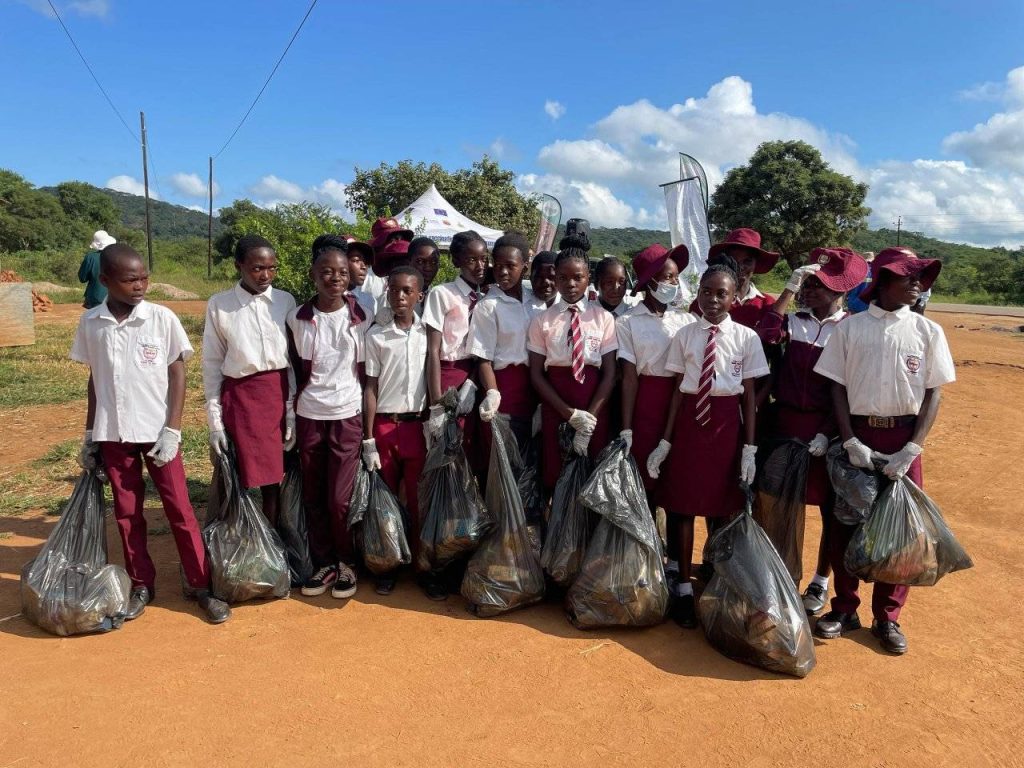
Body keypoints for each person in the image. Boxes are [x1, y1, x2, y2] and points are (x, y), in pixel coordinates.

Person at [72, 244, 230, 624]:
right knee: (127, 513)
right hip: (114, 434)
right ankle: (142, 584)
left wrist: (173, 428)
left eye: (144, 277)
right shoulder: (91, 323)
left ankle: (200, 585)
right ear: (105, 280)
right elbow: (95, 379)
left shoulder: (161, 318)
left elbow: (178, 373)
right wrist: (91, 432)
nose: (140, 285)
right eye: (130, 280)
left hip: (158, 432)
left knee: (180, 508)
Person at [812, 247, 954, 654]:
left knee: (899, 530)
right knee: (845, 524)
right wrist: (849, 439)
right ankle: (844, 608)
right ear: (884, 280)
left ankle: (887, 616)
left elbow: (934, 393)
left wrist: (913, 447)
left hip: (904, 436)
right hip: (858, 434)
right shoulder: (850, 329)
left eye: (920, 278)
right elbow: (836, 388)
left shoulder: (927, 332)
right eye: (909, 277)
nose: (918, 284)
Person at [648, 257, 769, 628]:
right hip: (689, 424)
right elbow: (676, 392)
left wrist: (749, 449)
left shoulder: (746, 338)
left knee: (723, 508)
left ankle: (718, 578)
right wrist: (665, 441)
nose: (713, 300)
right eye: (706, 292)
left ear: (734, 298)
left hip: (726, 426)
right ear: (697, 294)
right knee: (683, 506)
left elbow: (750, 397)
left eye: (721, 294)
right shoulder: (685, 335)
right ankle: (683, 587)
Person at [757, 247, 869, 614]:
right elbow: (765, 335)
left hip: (828, 430)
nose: (808, 290)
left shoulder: (850, 328)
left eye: (816, 286)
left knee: (829, 511)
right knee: (778, 504)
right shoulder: (793, 321)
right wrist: (788, 290)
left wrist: (827, 431)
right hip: (785, 425)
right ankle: (778, 577)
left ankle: (821, 580)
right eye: (806, 284)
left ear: (839, 292)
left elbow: (849, 389)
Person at [286, 238, 367, 600]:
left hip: (347, 415)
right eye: (327, 272)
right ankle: (325, 564)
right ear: (313, 276)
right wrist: (290, 415)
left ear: (350, 276)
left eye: (342, 272)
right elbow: (293, 369)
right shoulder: (298, 318)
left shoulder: (363, 316)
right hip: (309, 414)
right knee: (314, 496)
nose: (335, 278)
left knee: (339, 499)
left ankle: (347, 561)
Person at [361, 266, 444, 599]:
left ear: (419, 295)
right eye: (394, 290)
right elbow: (370, 387)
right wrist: (368, 437)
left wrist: (435, 416)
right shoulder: (376, 336)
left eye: (407, 291)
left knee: (419, 501)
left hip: (416, 427)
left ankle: (423, 567)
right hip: (384, 425)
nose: (400, 296)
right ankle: (388, 565)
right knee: (386, 502)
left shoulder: (428, 335)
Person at [616, 243, 695, 590]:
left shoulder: (686, 321)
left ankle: (677, 565)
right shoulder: (628, 322)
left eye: (675, 278)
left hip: (681, 404)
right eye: (667, 278)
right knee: (646, 487)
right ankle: (646, 561)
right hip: (646, 404)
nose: (672, 284)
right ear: (649, 282)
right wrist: (627, 427)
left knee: (678, 487)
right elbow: (629, 377)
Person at [202, 235, 296, 528]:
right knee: (236, 472)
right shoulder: (220, 305)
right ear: (238, 266)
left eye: (272, 268)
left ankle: (272, 539)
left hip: (276, 395)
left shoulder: (284, 301)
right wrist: (214, 421)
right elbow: (212, 363)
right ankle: (235, 536)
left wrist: (291, 407)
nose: (265, 275)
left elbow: (292, 360)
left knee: (274, 477)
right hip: (241, 398)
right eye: (257, 268)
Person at [527, 232, 618, 489]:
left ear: (589, 278)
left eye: (578, 277)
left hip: (594, 407)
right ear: (555, 278)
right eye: (563, 277)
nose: (570, 284)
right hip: (556, 405)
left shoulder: (603, 318)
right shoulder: (542, 321)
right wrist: (569, 414)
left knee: (589, 477)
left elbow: (610, 373)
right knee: (556, 476)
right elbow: (536, 374)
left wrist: (588, 421)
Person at [469, 232, 539, 455]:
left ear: (524, 266)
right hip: (503, 388)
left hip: (534, 388)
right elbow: (483, 358)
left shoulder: (536, 301)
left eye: (510, 265)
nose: (503, 272)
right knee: (503, 458)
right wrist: (492, 393)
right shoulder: (488, 306)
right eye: (498, 265)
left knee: (529, 458)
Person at [423, 230, 488, 448]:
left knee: (468, 444)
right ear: (456, 261)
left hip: (475, 376)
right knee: (445, 445)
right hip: (446, 374)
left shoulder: (485, 299)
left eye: (484, 259)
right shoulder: (442, 294)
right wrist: (436, 405)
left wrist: (472, 382)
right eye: (472, 260)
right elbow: (432, 350)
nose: (480, 266)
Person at [692, 228, 780, 328]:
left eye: (747, 261)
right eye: (734, 260)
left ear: (756, 264)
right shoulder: (705, 304)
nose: (740, 267)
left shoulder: (767, 304)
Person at [363, 217, 415, 300]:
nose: (398, 242)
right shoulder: (366, 277)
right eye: (392, 239)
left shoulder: (411, 270)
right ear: (378, 244)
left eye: (400, 238)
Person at [78, 230, 115, 309]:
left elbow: (82, 278)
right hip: (115, 298)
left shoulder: (91, 257)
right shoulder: (118, 257)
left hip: (95, 298)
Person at [343, 236, 378, 319]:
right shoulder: (325, 300)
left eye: (365, 262)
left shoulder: (370, 301)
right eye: (356, 260)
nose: (364, 266)